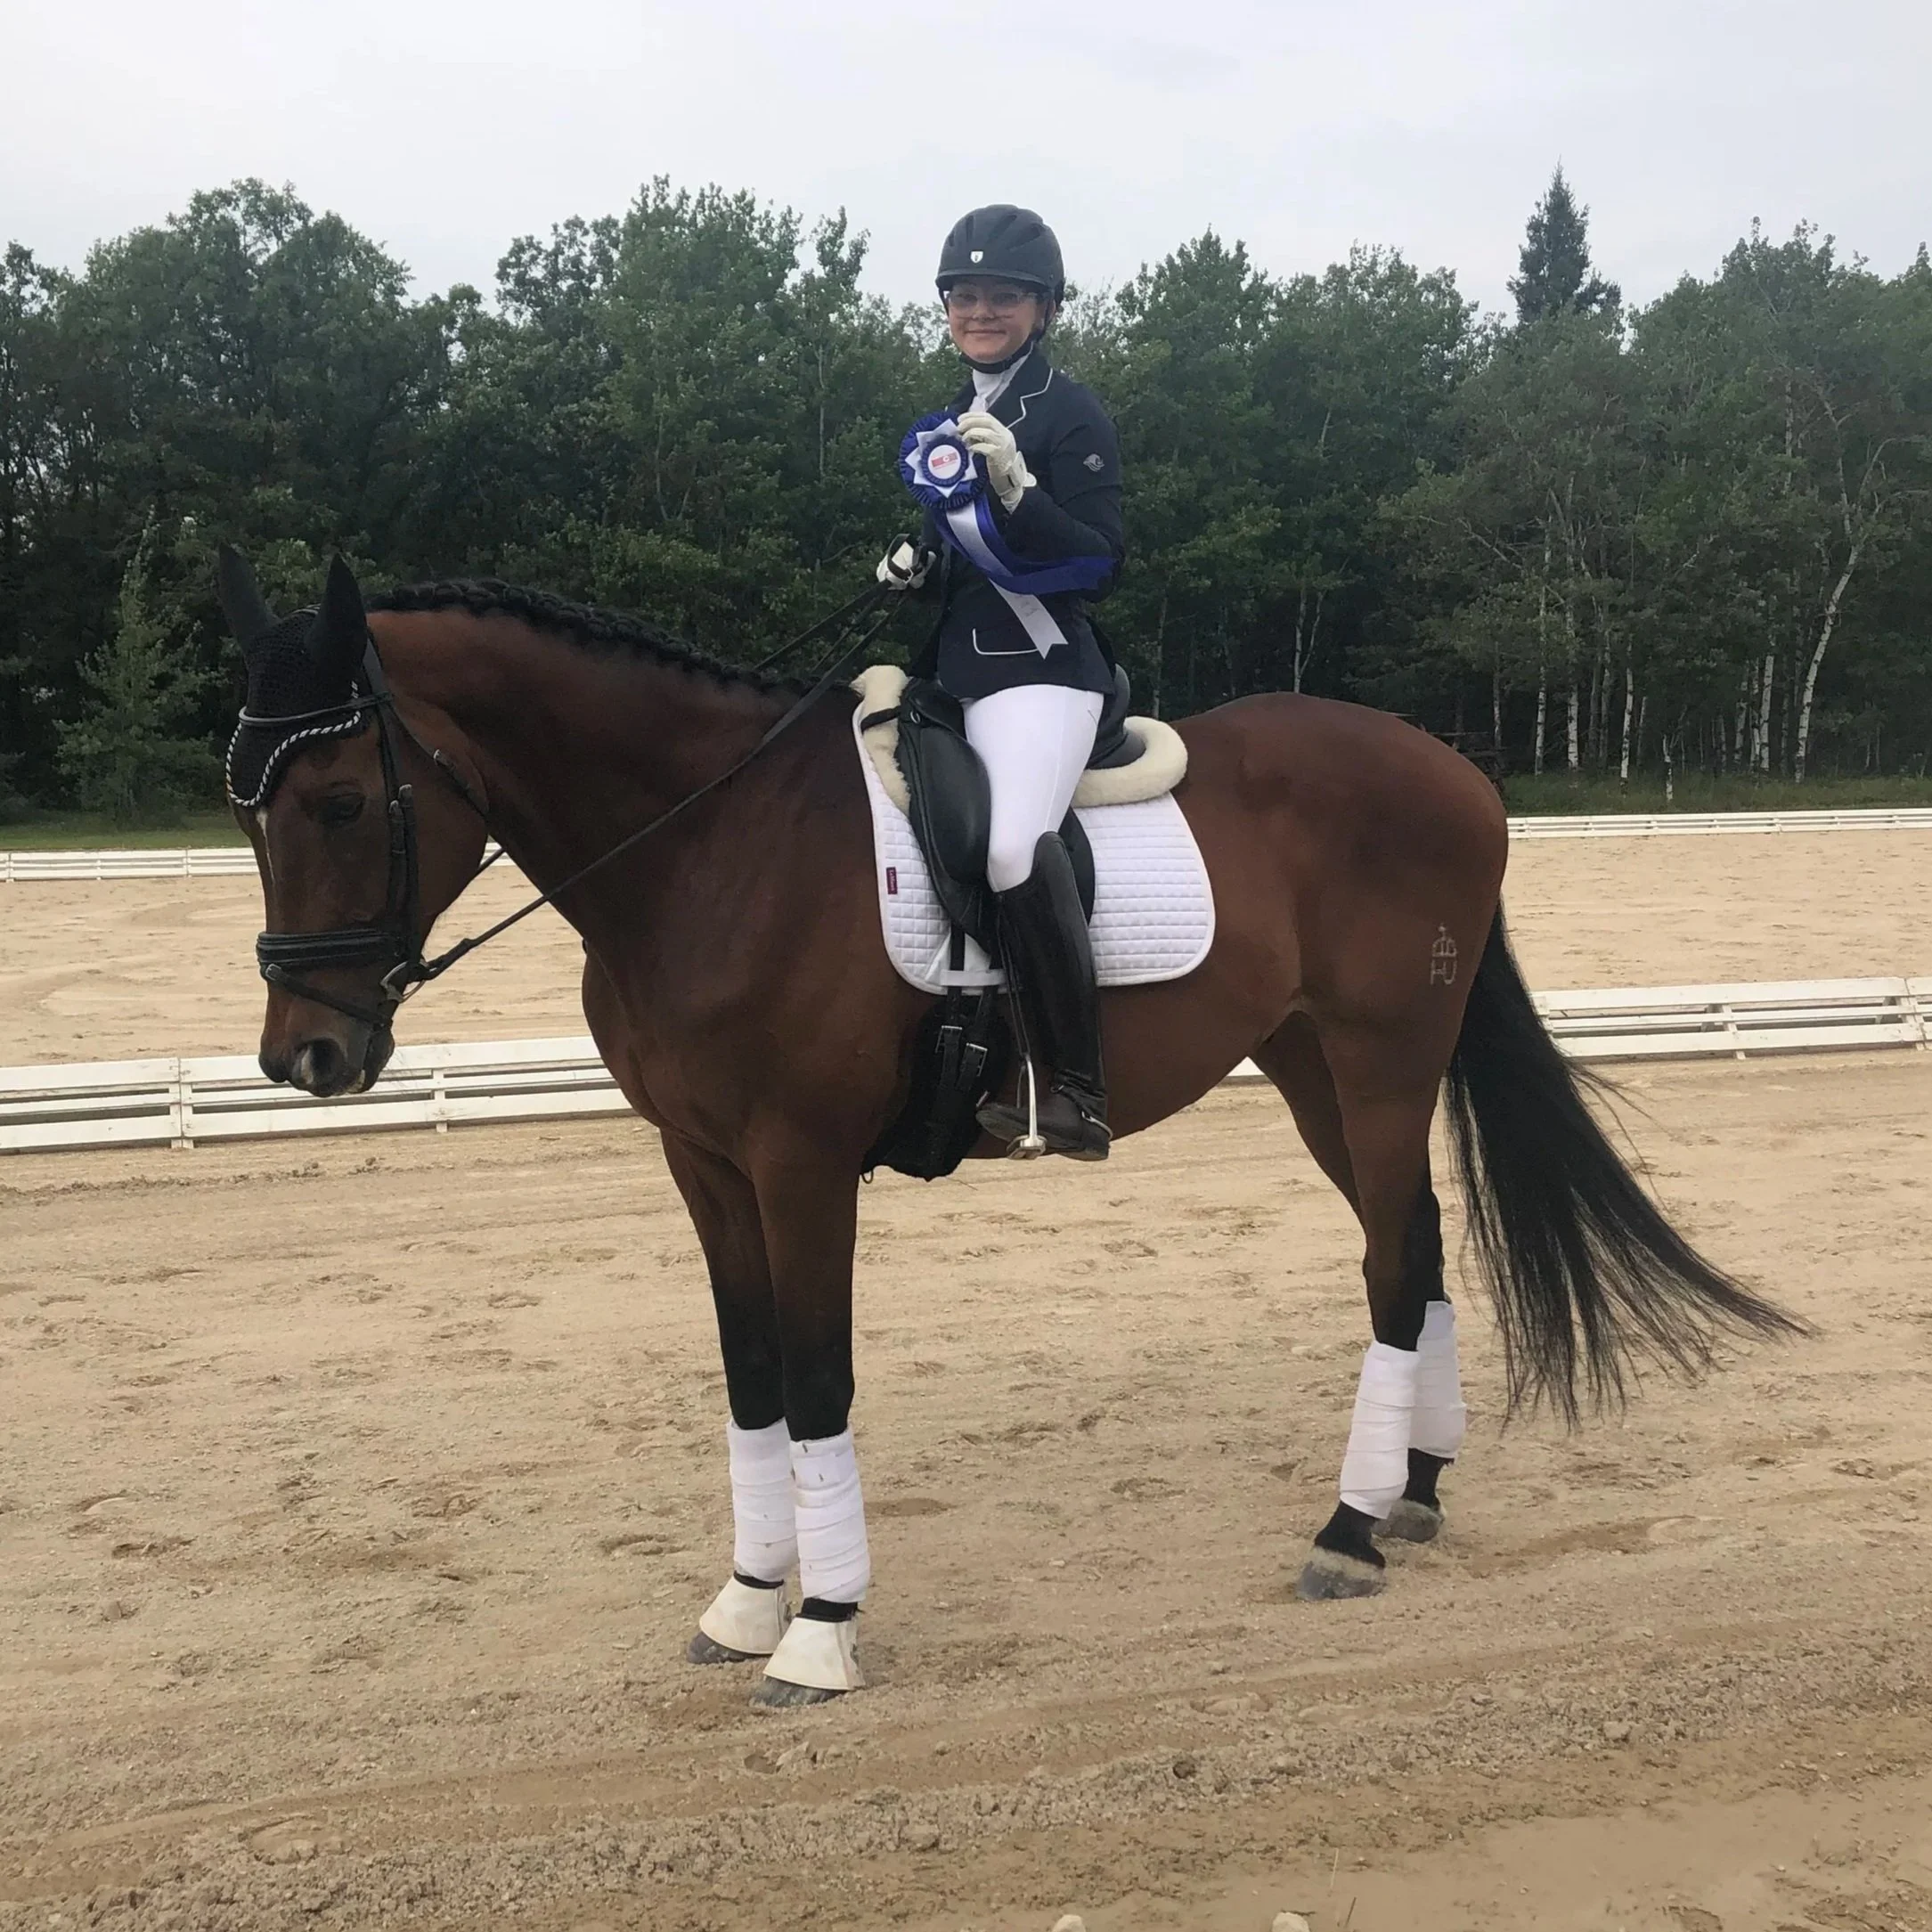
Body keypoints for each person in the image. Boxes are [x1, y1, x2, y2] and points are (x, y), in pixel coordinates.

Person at [877, 204, 1124, 1162]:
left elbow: (1101, 565)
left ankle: (1079, 1089)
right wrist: (915, 565)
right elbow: (960, 559)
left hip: (1045, 672)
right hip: (955, 676)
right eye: (964, 295)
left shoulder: (1071, 413)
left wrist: (1022, 491)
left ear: (1044, 309)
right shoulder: (943, 426)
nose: (980, 310)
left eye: (1003, 297)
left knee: (1017, 845)